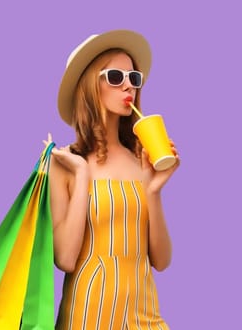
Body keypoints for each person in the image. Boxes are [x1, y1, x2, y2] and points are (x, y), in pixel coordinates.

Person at [44, 29, 179, 330]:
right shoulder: (65, 164)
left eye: (134, 78)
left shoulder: (141, 160)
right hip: (89, 312)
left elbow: (161, 261)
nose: (128, 86)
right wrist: (82, 175)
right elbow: (65, 259)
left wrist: (153, 191)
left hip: (144, 313)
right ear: (91, 85)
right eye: (116, 77)